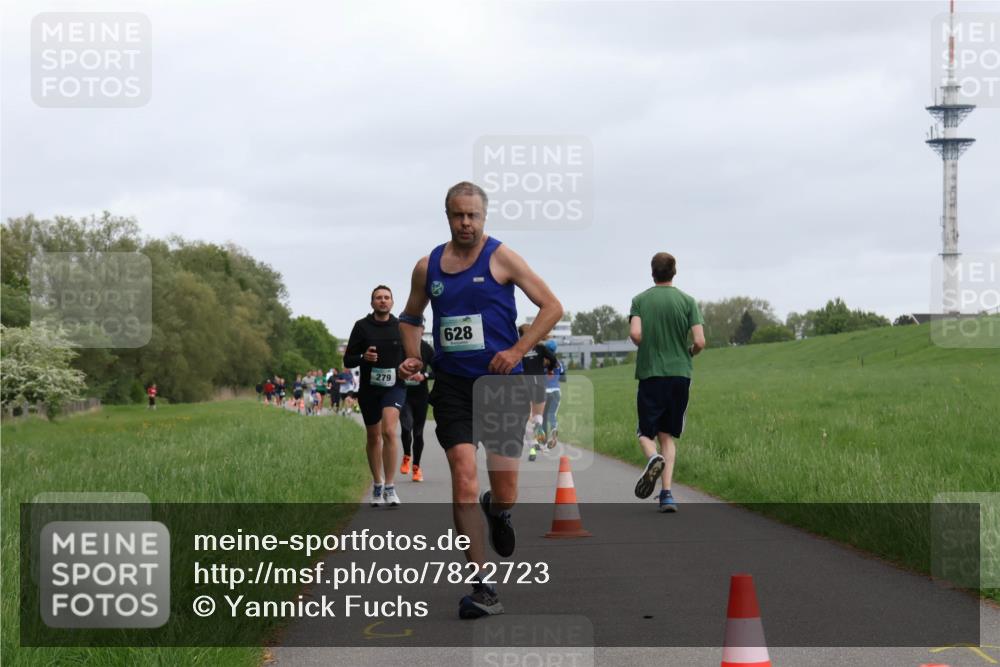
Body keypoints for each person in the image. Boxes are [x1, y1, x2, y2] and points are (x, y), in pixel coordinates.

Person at [398, 181, 562, 619]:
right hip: (452, 386)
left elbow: (551, 306)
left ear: (483, 217)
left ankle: (499, 511)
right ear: (447, 216)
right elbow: (411, 316)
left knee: (504, 488)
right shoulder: (427, 266)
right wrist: (414, 357)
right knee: (464, 476)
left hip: (500, 385)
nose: (465, 222)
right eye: (458, 215)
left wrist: (516, 351)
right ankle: (482, 584)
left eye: (472, 215)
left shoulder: (502, 257)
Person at [628, 252, 705, 513]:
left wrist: (644, 344)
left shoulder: (640, 301)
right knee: (667, 435)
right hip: (680, 374)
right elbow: (700, 341)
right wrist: (690, 352)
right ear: (674, 272)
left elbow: (635, 333)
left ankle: (653, 459)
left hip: (651, 373)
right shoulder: (688, 301)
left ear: (653, 271)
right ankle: (667, 495)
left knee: (644, 433)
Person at [344, 285, 406, 507]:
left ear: (392, 302)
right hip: (370, 389)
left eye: (386, 297)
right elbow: (348, 360)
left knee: (389, 431)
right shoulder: (362, 327)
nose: (383, 301)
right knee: (373, 437)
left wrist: (411, 368)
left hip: (394, 386)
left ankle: (390, 487)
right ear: (372, 303)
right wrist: (363, 357)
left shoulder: (400, 326)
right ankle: (377, 483)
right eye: (378, 298)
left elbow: (412, 355)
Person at [518, 323, 559, 462]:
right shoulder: (541, 348)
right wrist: (550, 369)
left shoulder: (520, 349)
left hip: (525, 384)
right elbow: (553, 359)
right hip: (539, 384)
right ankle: (541, 442)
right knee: (538, 417)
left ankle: (532, 447)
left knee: (528, 419)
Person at [400, 332, 434, 482]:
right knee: (406, 427)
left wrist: (424, 376)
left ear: (421, 330)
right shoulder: (400, 347)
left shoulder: (426, 348)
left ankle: (416, 467)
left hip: (421, 395)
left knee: (418, 433)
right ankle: (407, 456)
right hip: (404, 394)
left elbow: (438, 370)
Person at [542, 340, 565, 448]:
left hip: (545, 392)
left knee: (542, 416)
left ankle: (542, 440)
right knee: (552, 415)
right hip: (556, 391)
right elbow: (563, 378)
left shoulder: (542, 363)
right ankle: (554, 432)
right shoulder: (559, 363)